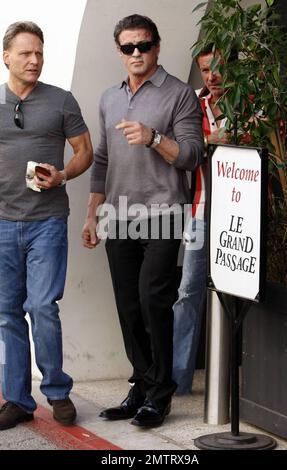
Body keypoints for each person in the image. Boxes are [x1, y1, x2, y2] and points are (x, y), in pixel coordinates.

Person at [82, 14, 203, 427]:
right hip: (118, 215)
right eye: (128, 47)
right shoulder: (109, 98)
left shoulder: (180, 93)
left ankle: (160, 393)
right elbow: (101, 160)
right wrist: (91, 213)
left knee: (154, 300)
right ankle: (142, 385)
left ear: (157, 46)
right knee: (129, 306)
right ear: (119, 51)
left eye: (144, 45)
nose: (137, 53)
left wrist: (153, 138)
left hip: (164, 212)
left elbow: (191, 155)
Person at [0, 21, 93, 430]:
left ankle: (57, 391)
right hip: (2, 223)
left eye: (39, 52)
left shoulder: (61, 101)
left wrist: (62, 175)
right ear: (6, 57)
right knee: (6, 314)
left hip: (47, 222)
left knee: (41, 307)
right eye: (25, 53)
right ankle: (18, 400)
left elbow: (85, 152)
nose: (35, 59)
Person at [172, 43, 229, 394]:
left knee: (241, 294)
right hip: (201, 211)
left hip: (246, 213)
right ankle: (177, 382)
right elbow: (183, 143)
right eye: (206, 70)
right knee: (188, 290)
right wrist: (212, 139)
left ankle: (244, 379)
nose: (213, 77)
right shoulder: (193, 101)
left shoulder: (252, 102)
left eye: (218, 68)